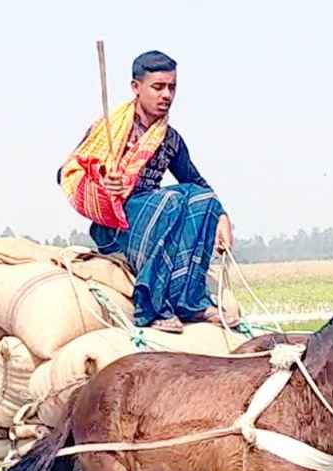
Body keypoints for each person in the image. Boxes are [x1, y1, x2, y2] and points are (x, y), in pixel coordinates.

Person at [57, 49, 235, 332]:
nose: (166, 95)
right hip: (116, 224)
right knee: (172, 200)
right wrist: (103, 185)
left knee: (203, 199)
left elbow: (197, 183)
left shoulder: (170, 139)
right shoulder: (109, 130)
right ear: (136, 88)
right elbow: (67, 173)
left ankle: (191, 301)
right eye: (158, 87)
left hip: (156, 212)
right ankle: (151, 306)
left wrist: (222, 217)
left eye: (172, 87)